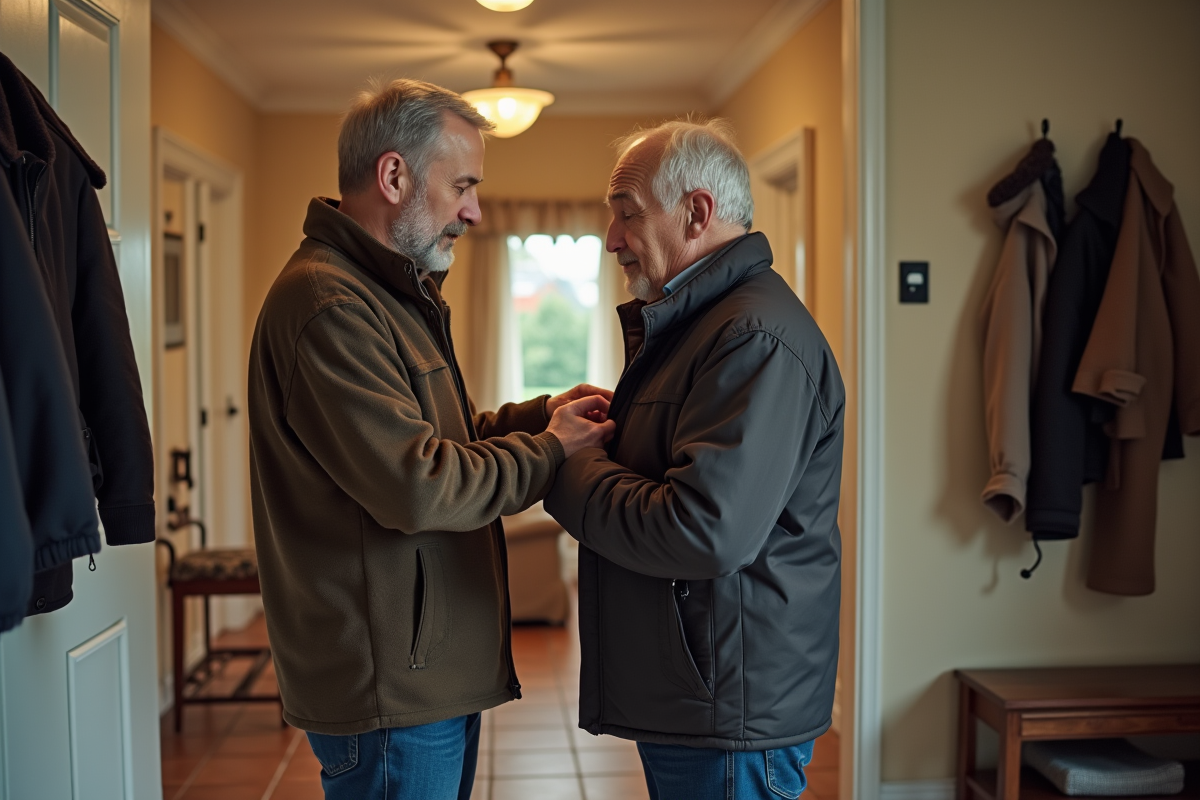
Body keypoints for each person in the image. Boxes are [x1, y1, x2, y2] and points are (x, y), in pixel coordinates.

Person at [247, 78, 614, 800]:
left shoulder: (388, 292)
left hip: (421, 676)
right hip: (388, 688)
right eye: (464, 186)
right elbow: (419, 483)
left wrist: (546, 415)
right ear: (394, 177)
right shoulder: (329, 305)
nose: (474, 210)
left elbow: (448, 439)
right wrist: (552, 450)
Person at [543, 119, 845, 800]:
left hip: (728, 706)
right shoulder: (703, 325)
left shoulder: (753, 337)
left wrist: (565, 466)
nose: (613, 238)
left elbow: (701, 529)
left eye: (627, 215)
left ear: (696, 212)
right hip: (706, 691)